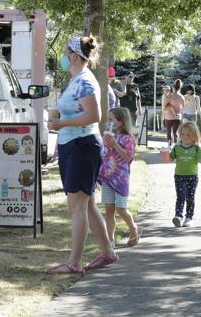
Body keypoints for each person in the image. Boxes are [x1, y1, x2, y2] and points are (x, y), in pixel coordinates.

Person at [45, 36, 117, 275]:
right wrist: (59, 122)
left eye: (66, 53)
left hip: (82, 145)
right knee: (86, 205)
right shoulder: (76, 79)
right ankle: (108, 252)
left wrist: (62, 123)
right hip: (73, 145)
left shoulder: (85, 81)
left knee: (77, 205)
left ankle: (74, 263)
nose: (64, 57)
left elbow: (94, 115)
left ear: (74, 56)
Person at [98, 107, 142, 247]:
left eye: (111, 119)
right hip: (108, 178)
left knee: (120, 209)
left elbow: (128, 157)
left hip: (121, 179)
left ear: (121, 122)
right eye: (108, 119)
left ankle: (133, 228)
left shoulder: (128, 138)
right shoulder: (108, 136)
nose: (108, 122)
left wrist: (114, 144)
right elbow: (104, 154)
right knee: (109, 210)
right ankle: (110, 240)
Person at [169, 122, 201, 227]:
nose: (185, 136)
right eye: (183, 134)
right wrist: (166, 155)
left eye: (188, 134)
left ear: (194, 136)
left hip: (192, 176)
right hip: (179, 176)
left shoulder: (196, 148)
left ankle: (189, 218)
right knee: (180, 196)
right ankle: (178, 216)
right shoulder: (177, 148)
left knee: (190, 197)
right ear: (179, 134)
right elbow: (170, 158)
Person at [163, 79, 184, 147]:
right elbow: (183, 108)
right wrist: (178, 111)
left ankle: (169, 146)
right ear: (180, 87)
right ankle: (175, 146)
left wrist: (170, 107)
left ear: (173, 87)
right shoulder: (181, 97)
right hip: (178, 117)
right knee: (175, 132)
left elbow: (164, 106)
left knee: (169, 131)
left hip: (168, 116)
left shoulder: (170, 96)